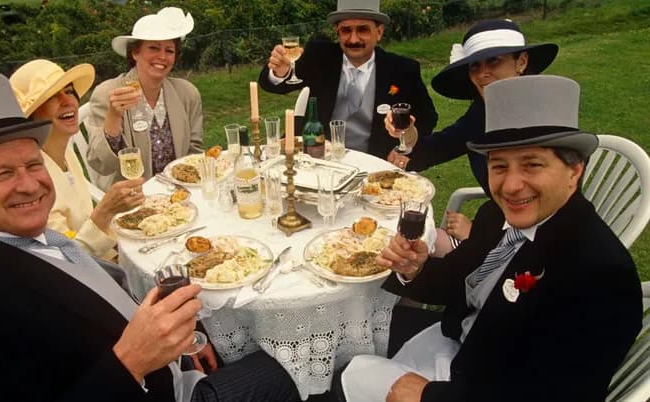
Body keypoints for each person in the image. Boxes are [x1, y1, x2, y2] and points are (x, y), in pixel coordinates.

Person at [0, 72, 300, 402]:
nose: (29, 185)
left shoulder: (27, 238)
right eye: (2, 175)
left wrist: (183, 343)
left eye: (34, 164)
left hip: (179, 366)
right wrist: (132, 360)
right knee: (292, 368)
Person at [340, 75, 642, 402]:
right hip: (462, 347)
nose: (511, 186)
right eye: (499, 166)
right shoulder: (495, 216)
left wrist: (429, 396)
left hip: (480, 385)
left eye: (532, 165)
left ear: (574, 171)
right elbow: (459, 279)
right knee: (348, 352)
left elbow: (555, 393)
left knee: (349, 375)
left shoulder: (601, 275)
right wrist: (413, 268)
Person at [384, 19, 558, 255]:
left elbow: (546, 212)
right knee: (402, 246)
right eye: (475, 66)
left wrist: (479, 233)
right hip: (496, 226)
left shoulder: (544, 119)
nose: (482, 74)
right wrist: (410, 136)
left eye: (494, 61)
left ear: (522, 62)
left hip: (531, 249)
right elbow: (444, 145)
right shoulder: (483, 110)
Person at [257, 0, 437, 160]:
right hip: (318, 159)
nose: (353, 39)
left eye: (363, 29)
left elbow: (428, 118)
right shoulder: (320, 56)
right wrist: (280, 72)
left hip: (374, 164)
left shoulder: (403, 69)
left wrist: (402, 149)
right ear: (337, 32)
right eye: (346, 30)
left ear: (379, 32)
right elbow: (272, 85)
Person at [10, 59, 144, 260]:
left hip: (102, 255)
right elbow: (66, 259)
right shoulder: (30, 183)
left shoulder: (64, 152)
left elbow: (82, 223)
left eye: (70, 91)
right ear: (31, 115)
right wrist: (105, 211)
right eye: (53, 97)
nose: (68, 101)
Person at [86, 6, 204, 189]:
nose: (162, 57)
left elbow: (195, 151)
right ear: (135, 52)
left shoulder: (187, 93)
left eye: (170, 50)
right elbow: (101, 164)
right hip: (132, 199)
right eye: (153, 48)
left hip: (182, 192)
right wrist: (114, 117)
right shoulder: (107, 94)